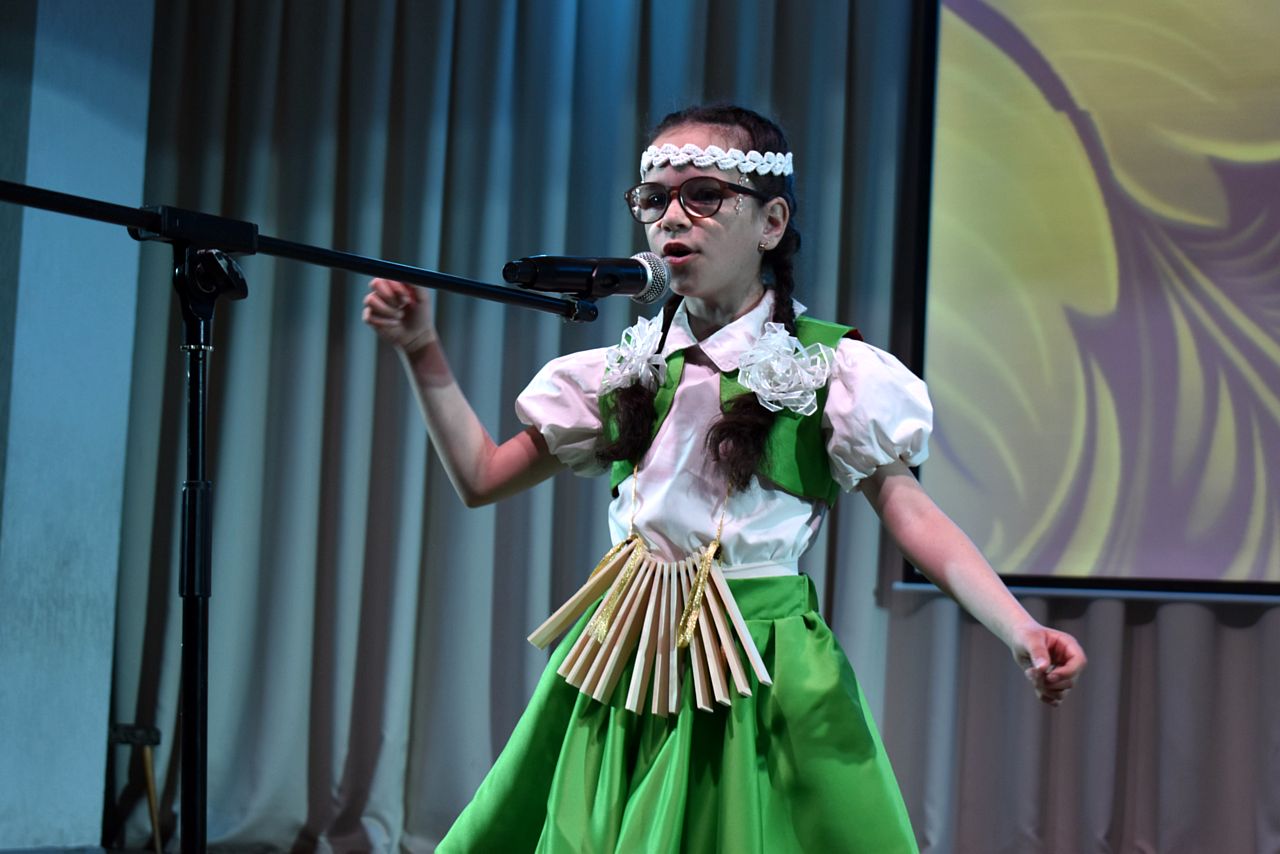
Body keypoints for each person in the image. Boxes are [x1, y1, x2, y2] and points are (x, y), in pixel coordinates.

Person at [363, 104, 1086, 853]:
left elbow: (915, 516)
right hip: (628, 657)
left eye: (704, 195)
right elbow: (482, 477)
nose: (673, 217)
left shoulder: (827, 371)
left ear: (771, 222)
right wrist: (422, 351)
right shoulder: (626, 370)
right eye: (655, 199)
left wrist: (1019, 627)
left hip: (755, 662)